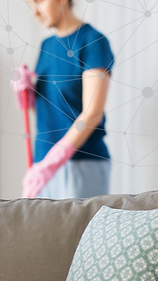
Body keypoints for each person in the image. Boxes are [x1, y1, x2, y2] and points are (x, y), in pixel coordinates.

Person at [22, 0, 114, 199]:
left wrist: (54, 161)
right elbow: (48, 111)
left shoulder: (93, 42)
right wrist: (26, 95)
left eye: (39, 2)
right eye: (30, 4)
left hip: (82, 162)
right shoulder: (46, 46)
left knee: (79, 231)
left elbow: (92, 114)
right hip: (42, 162)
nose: (34, 12)